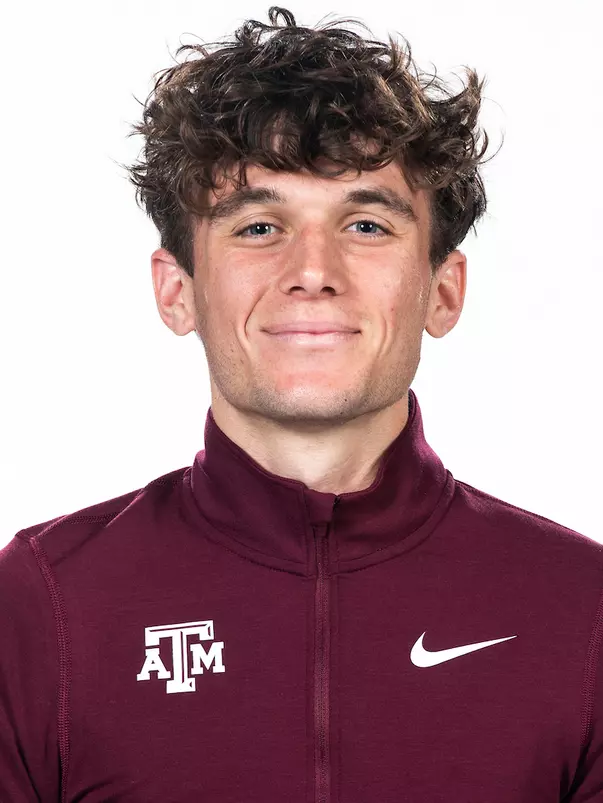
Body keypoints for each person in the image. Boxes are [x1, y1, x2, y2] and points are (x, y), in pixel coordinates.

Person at [1, 6, 601, 801]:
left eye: (363, 223)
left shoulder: (581, 608)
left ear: (443, 291)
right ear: (176, 292)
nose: (312, 269)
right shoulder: (44, 604)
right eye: (256, 226)